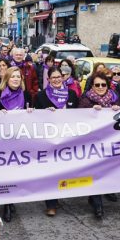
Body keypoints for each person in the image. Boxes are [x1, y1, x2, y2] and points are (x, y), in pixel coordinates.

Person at [34, 66, 78, 217]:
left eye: (59, 77)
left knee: (64, 170)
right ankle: (50, 204)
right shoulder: (41, 96)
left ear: (63, 77)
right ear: (48, 80)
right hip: (49, 140)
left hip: (68, 138)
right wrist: (45, 114)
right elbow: (34, 118)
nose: (57, 79)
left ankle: (57, 196)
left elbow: (80, 114)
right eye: (53, 78)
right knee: (50, 171)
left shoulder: (71, 94)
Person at [78, 71, 120, 218]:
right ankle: (98, 205)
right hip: (92, 143)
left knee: (106, 170)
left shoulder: (115, 98)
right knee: (94, 171)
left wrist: (117, 108)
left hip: (110, 142)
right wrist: (89, 111)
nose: (101, 87)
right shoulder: (86, 99)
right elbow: (77, 117)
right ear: (92, 85)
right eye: (97, 85)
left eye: (103, 84)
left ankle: (94, 196)